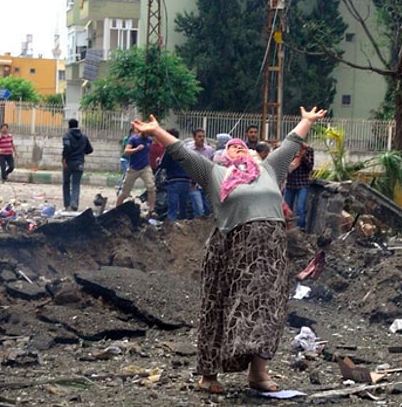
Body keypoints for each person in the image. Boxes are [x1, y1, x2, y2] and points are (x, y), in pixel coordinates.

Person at [130, 105, 328, 394]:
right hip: (231, 251)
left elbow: (290, 144)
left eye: (243, 148)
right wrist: (156, 132)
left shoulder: (269, 170)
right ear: (224, 158)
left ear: (253, 154)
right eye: (233, 149)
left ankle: (258, 374)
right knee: (219, 308)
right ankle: (208, 375)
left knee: (267, 310)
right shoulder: (214, 174)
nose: (239, 150)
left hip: (270, 253)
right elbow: (182, 154)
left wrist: (306, 121)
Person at [159, 129, 204, 221]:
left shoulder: (169, 149)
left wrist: (158, 162)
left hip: (174, 180)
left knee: (173, 208)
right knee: (183, 208)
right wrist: (193, 181)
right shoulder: (186, 149)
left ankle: (171, 229)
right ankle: (183, 228)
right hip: (186, 181)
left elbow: (164, 165)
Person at [115, 126, 157, 218]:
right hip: (133, 168)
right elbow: (126, 151)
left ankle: (151, 210)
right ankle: (117, 209)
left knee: (151, 187)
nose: (147, 135)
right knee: (125, 192)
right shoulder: (134, 139)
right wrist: (137, 149)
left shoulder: (149, 140)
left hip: (145, 167)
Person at [61, 118, 94, 211]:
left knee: (66, 183)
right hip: (79, 162)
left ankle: (67, 204)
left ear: (69, 126)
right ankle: (74, 203)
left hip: (69, 162)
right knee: (76, 184)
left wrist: (64, 159)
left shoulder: (67, 135)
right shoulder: (84, 137)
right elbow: (90, 150)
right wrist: (81, 152)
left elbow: (67, 146)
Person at [284, 143, 314, 230]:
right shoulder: (290, 149)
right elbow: (286, 166)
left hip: (302, 183)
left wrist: (302, 156)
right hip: (290, 183)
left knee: (300, 208)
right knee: (286, 208)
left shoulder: (308, 150)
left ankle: (300, 229)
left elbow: (310, 166)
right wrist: (294, 156)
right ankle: (286, 228)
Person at [117, 128, 135, 195]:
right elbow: (126, 148)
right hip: (125, 159)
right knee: (127, 175)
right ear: (130, 133)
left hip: (130, 160)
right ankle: (120, 190)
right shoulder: (127, 139)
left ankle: (125, 191)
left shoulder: (135, 140)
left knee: (127, 176)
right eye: (133, 133)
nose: (134, 134)